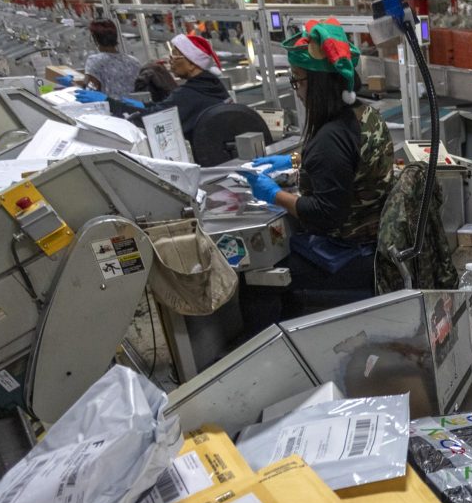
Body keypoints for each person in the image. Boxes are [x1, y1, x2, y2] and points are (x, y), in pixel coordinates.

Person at [244, 18, 394, 299]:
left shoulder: (329, 139)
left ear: (318, 83)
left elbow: (326, 214)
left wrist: (274, 195)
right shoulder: (364, 114)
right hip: (375, 240)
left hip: (349, 255)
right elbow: (350, 161)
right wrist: (294, 161)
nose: (297, 90)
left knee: (257, 280)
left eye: (297, 80)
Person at [128, 33, 231, 141]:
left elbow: (152, 117)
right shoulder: (213, 85)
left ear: (192, 64)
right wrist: (140, 105)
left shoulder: (188, 94)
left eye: (175, 55)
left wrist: (118, 108)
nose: (170, 60)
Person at [78, 19, 140, 99]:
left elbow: (86, 87)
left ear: (94, 38)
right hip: (135, 107)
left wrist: (70, 83)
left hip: (111, 108)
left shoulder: (94, 60)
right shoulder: (134, 61)